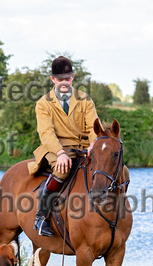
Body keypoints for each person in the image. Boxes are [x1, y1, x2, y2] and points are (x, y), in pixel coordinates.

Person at [30, 56, 98, 237]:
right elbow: (46, 133)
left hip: (84, 146)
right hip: (56, 148)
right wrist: (60, 153)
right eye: (60, 80)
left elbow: (93, 126)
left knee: (115, 167)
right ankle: (41, 217)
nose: (64, 83)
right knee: (62, 169)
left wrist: (93, 144)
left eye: (67, 79)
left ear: (73, 77)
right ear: (53, 79)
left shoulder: (85, 99)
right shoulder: (43, 104)